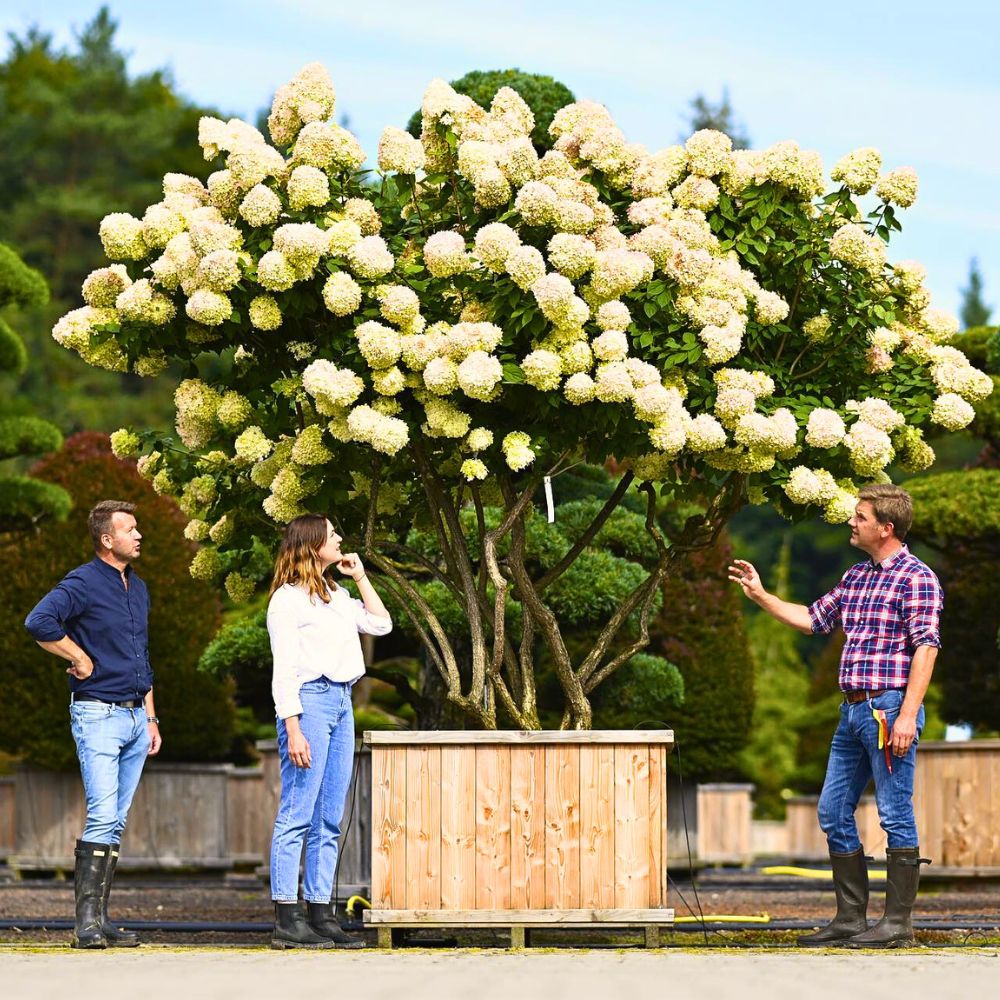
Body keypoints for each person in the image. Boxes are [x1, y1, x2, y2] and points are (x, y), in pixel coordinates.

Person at [729, 484, 942, 949]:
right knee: (831, 811)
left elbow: (926, 646)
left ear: (886, 528)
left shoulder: (916, 578)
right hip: (851, 712)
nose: (852, 522)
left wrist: (907, 715)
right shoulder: (857, 577)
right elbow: (812, 619)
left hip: (890, 711)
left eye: (860, 517)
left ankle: (898, 924)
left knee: (894, 812)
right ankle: (850, 918)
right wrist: (761, 595)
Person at [24, 500, 162, 949]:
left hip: (136, 719)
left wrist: (152, 717)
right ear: (107, 539)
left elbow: (142, 655)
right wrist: (78, 656)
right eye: (130, 528)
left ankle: (100, 921)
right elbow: (39, 621)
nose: (139, 535)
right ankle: (84, 926)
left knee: (115, 822)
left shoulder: (137, 587)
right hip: (98, 714)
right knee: (102, 815)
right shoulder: (82, 582)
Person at [266, 513, 391, 949]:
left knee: (329, 817)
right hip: (310, 704)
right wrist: (293, 727)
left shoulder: (336, 595)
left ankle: (321, 913)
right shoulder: (287, 600)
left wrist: (360, 579)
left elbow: (380, 624)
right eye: (333, 534)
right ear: (313, 543)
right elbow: (283, 672)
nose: (340, 539)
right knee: (298, 812)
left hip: (341, 702)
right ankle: (287, 915)